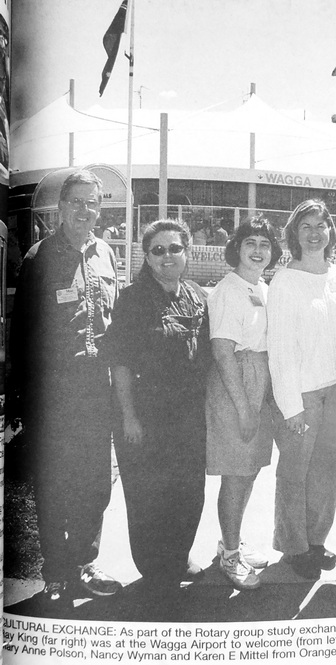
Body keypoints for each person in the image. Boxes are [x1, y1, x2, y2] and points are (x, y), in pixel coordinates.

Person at [9, 169, 121, 606]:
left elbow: (112, 320)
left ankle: (84, 563)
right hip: (54, 393)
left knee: (96, 484)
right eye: (76, 201)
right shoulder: (39, 257)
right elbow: (22, 332)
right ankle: (56, 571)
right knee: (55, 483)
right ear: (61, 206)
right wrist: (21, 399)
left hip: (98, 388)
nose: (84, 210)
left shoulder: (106, 253)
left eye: (92, 202)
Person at [102, 219, 211, 593]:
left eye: (175, 248)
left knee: (189, 492)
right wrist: (129, 416)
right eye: (158, 250)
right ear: (146, 257)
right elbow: (120, 362)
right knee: (149, 496)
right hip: (145, 416)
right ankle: (155, 571)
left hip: (189, 417)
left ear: (187, 252)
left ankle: (177, 558)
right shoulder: (133, 299)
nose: (167, 256)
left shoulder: (196, 295)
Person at [267, 199, 336, 579]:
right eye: (306, 226)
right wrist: (291, 405)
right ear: (294, 234)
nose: (314, 233)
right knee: (294, 474)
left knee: (328, 473)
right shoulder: (285, 281)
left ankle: (316, 540)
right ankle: (294, 547)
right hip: (300, 394)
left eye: (321, 225)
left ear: (331, 231)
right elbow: (280, 347)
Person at [206, 216, 283, 590]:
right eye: (250, 242)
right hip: (235, 385)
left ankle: (230, 541)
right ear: (236, 248)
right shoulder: (228, 290)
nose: (258, 250)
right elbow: (222, 352)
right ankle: (230, 556)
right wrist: (243, 407)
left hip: (259, 381)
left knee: (249, 470)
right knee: (236, 473)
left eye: (265, 244)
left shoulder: (263, 288)